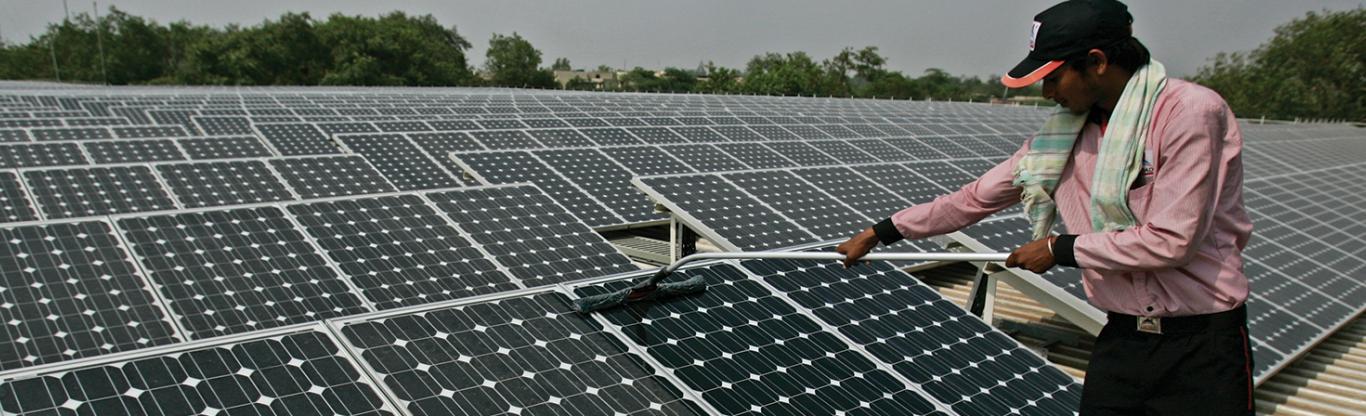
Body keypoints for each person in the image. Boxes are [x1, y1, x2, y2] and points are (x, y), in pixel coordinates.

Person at [836, 1, 1255, 414]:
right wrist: (881, 232)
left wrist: (1059, 249)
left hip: (1201, 347)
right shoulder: (1061, 139)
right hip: (1123, 339)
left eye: (1053, 77)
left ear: (1097, 61)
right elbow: (973, 199)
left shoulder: (1188, 113)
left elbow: (1172, 241)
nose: (1047, 93)